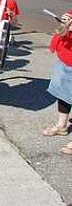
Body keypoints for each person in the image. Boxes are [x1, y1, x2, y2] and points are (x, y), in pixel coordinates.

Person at [44, 10, 72, 155]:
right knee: (63, 95)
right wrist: (65, 22)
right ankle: (61, 126)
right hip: (65, 61)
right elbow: (62, 33)